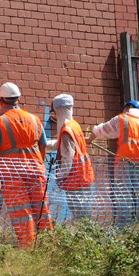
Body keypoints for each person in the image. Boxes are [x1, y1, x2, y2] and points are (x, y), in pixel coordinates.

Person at [0, 82, 52, 248]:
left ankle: (26, 250)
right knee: (42, 211)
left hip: (13, 176)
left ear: (1, 101)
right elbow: (43, 146)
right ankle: (48, 248)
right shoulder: (34, 119)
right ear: (18, 99)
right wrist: (37, 165)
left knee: (22, 214)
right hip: (36, 173)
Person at [87, 100, 139, 226]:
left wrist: (89, 140)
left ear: (128, 108)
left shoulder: (122, 119)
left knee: (123, 195)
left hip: (124, 162)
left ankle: (123, 228)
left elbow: (101, 129)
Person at [47, 94, 95, 222]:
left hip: (75, 180)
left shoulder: (66, 131)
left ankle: (85, 240)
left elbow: (67, 157)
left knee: (81, 216)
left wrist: (60, 176)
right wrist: (43, 145)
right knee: (84, 215)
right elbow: (61, 145)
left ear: (58, 110)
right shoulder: (74, 125)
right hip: (83, 176)